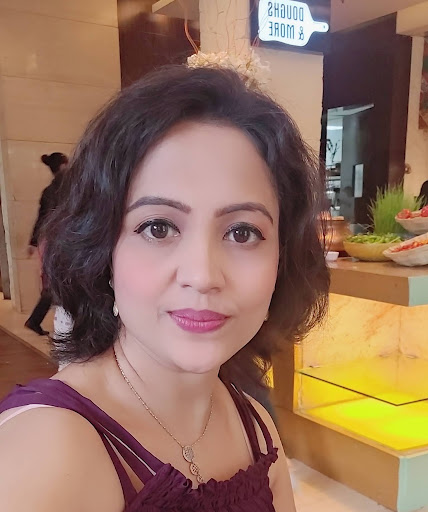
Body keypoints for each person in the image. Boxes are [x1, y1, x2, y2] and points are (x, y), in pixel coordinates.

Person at [0, 66, 330, 511]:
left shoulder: (255, 428)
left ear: (281, 260)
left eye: (242, 232)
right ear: (104, 251)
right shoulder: (47, 454)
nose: (203, 275)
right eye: (158, 227)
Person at [25, 152, 68, 335]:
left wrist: (34, 242)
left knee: (55, 284)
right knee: (59, 284)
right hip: (59, 242)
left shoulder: (51, 190)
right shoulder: (66, 188)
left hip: (51, 241)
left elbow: (41, 218)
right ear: (63, 166)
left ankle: (36, 320)